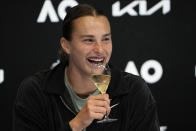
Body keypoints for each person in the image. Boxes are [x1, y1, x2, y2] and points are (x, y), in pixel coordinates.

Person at [13, 4, 160, 131]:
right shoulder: (34, 91)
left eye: (106, 39)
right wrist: (77, 124)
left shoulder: (135, 91)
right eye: (89, 40)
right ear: (66, 45)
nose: (100, 49)